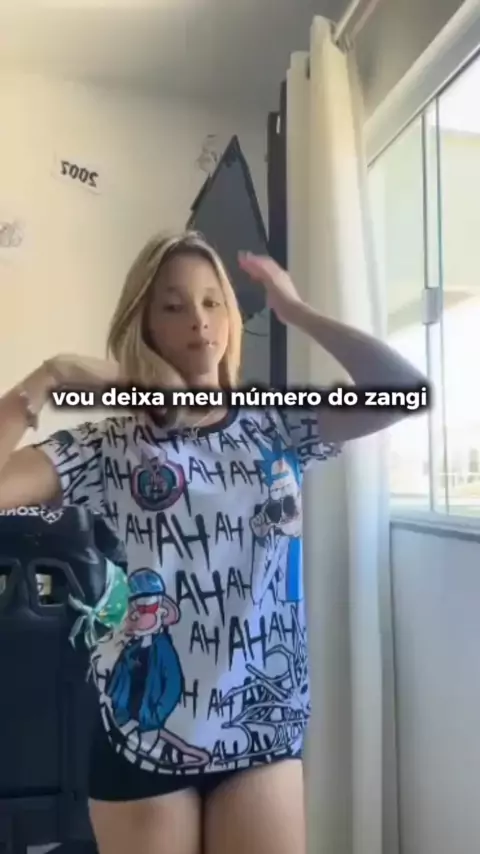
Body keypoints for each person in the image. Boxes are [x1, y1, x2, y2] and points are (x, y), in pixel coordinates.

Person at [0, 230, 426, 854]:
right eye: (173, 306)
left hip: (262, 728)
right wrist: (50, 375)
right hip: (145, 730)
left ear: (230, 317)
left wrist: (297, 312)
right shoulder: (108, 444)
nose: (198, 320)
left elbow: (404, 391)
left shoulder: (276, 423)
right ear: (144, 325)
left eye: (211, 302)